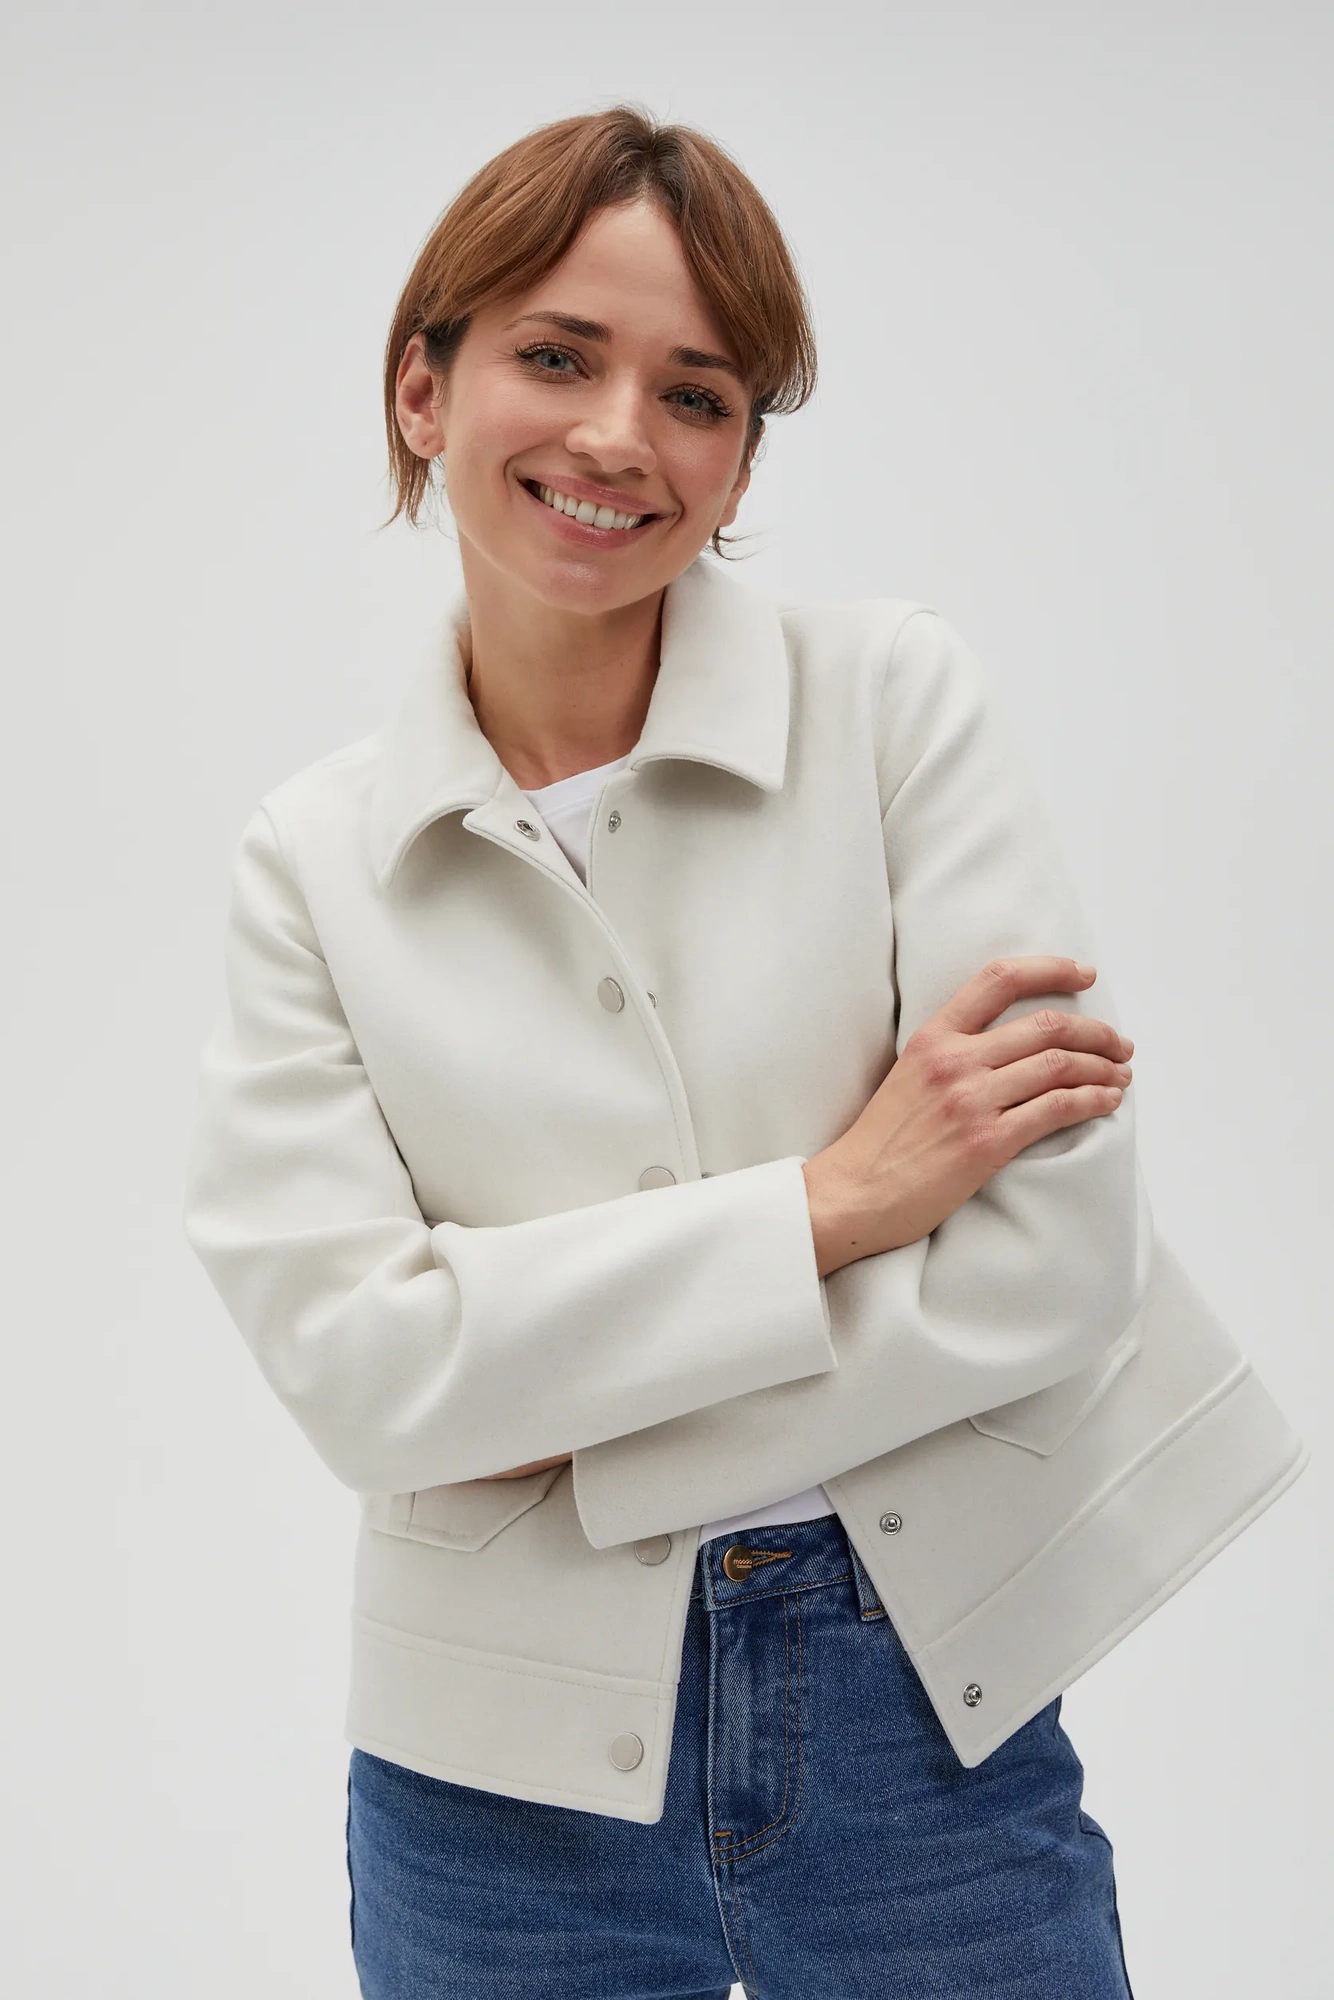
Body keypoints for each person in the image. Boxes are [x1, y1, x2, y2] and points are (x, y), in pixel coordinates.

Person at [182, 106, 1307, 2000]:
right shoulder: (309, 859)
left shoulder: (890, 703)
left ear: (740, 456)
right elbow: (368, 1383)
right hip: (489, 1778)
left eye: (695, 393)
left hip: (918, 1700)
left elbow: (1049, 1267)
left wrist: (535, 1399)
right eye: (557, 356)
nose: (621, 435)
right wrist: (836, 1204)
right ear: (420, 390)